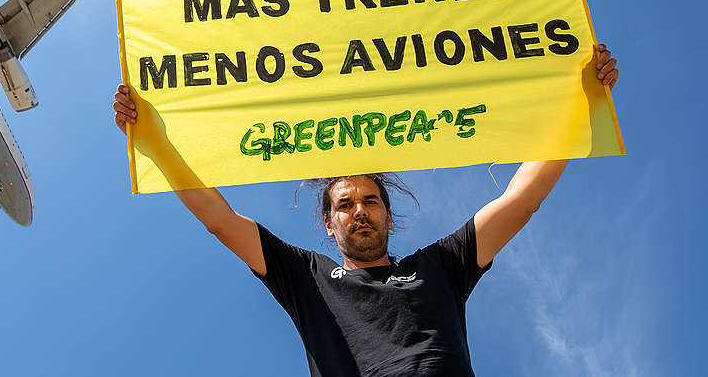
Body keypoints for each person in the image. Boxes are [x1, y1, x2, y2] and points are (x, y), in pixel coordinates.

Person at [112, 44, 620, 376]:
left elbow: (521, 199)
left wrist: (582, 104)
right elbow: (219, 220)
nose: (360, 210)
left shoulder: (441, 266)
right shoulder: (306, 278)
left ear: (389, 216)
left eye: (370, 201)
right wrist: (153, 140)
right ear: (329, 226)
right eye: (346, 204)